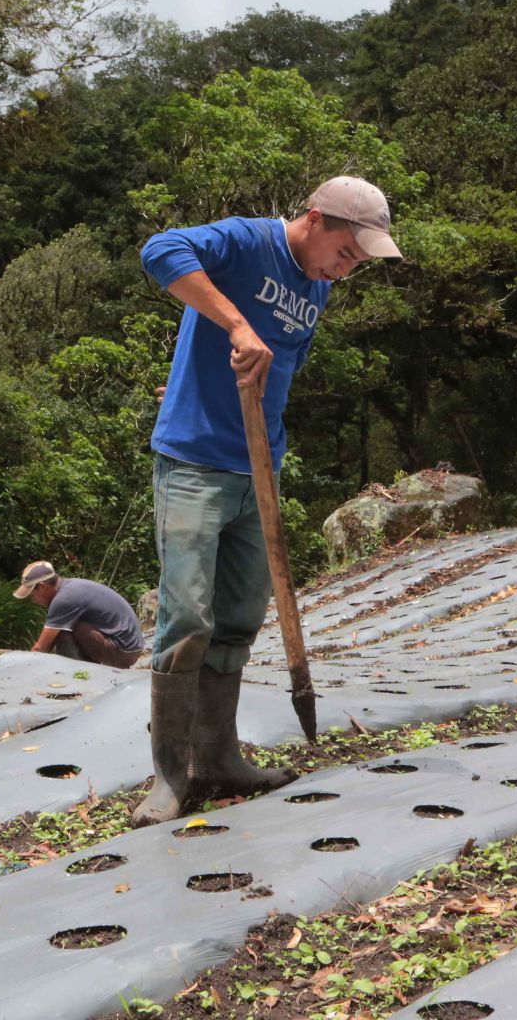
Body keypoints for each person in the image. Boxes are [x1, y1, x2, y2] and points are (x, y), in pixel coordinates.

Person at [133, 176, 402, 825]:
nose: (344, 271)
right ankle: (170, 776)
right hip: (194, 461)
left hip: (258, 469)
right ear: (316, 219)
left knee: (237, 619)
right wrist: (233, 323)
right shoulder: (245, 241)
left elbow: (281, 367)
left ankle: (217, 756)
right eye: (345, 254)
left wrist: (270, 455)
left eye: (357, 265)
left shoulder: (315, 287)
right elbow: (159, 251)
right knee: (187, 617)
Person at [14, 561, 144, 668]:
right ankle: (82, 665)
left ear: (42, 586)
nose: (32, 598)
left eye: (32, 593)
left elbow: (40, 648)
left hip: (124, 653)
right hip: (130, 647)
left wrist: (25, 669)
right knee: (62, 628)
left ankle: (75, 673)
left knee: (62, 632)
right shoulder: (71, 586)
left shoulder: (63, 599)